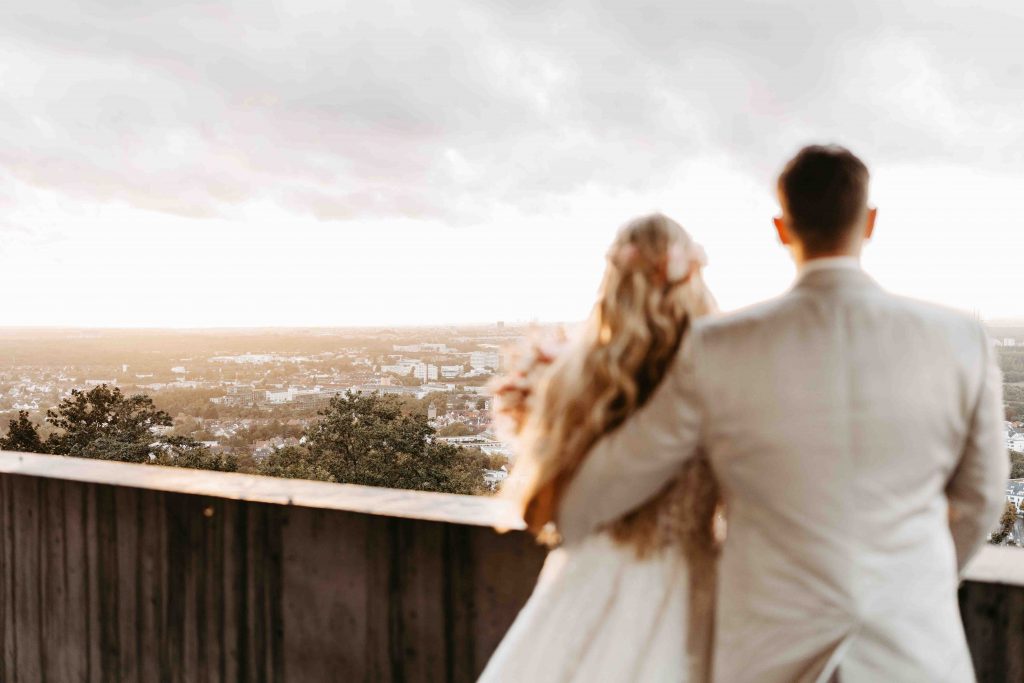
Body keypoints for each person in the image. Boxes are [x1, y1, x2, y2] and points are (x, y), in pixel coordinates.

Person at [557, 145, 1008, 682]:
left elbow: (597, 494)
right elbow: (981, 499)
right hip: (915, 648)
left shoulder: (718, 346)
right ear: (869, 222)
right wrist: (913, 586)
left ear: (781, 228)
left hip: (768, 650)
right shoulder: (959, 339)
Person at [479, 213, 720, 683]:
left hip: (590, 578)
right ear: (691, 275)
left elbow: (547, 514)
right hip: (690, 585)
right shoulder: (718, 372)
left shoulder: (579, 376)